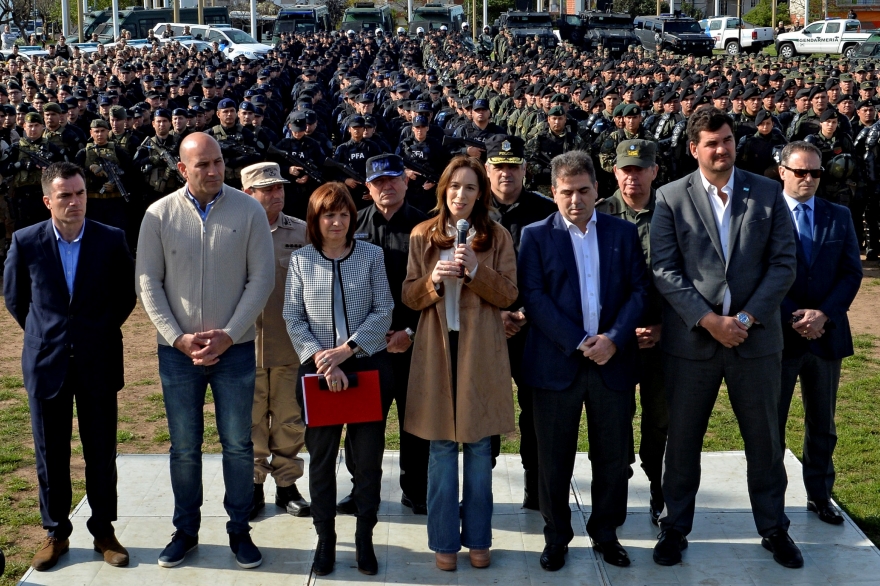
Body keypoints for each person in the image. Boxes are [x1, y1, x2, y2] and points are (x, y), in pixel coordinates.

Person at [650, 107, 800, 568]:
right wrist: (708, 320)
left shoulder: (769, 193)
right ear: (694, 148)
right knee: (683, 441)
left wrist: (747, 319)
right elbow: (664, 269)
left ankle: (774, 528)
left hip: (754, 342)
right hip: (693, 343)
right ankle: (675, 527)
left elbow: (783, 265)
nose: (722, 149)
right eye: (712, 143)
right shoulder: (670, 197)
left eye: (728, 140)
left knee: (765, 441)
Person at [135, 133, 275, 570]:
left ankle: (239, 530)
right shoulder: (158, 215)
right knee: (183, 447)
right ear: (183, 169)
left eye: (218, 162)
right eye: (203, 165)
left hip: (234, 351)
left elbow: (261, 279)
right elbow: (147, 282)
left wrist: (230, 334)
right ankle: (186, 531)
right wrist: (177, 337)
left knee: (237, 445)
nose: (214, 171)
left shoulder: (249, 210)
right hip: (177, 354)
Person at [517, 150, 648, 572]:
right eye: (566, 192)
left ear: (597, 189)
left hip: (612, 364)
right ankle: (556, 537)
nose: (576, 200)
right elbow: (533, 297)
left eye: (584, 190)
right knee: (553, 459)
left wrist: (612, 338)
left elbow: (639, 293)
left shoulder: (622, 234)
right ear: (553, 193)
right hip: (556, 365)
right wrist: (577, 341)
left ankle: (607, 534)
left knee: (612, 458)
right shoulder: (535, 236)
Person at [3, 162, 135, 571]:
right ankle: (56, 532)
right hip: (47, 364)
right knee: (50, 452)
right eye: (65, 195)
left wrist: (91, 332)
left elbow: (125, 297)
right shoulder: (26, 242)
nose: (75, 202)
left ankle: (103, 531)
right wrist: (52, 333)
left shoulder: (111, 239)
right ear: (48, 201)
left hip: (98, 359)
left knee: (101, 451)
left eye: (79, 193)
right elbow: (15, 299)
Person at [402, 155, 518, 572]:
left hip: (480, 352)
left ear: (480, 193)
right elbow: (410, 297)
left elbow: (508, 294)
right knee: (442, 449)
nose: (461, 195)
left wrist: (475, 271)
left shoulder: (497, 236)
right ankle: (444, 540)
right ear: (443, 191)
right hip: (437, 349)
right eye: (454, 187)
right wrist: (433, 281)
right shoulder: (422, 236)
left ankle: (479, 538)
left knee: (479, 447)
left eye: (470, 187)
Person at [282, 182, 394, 577]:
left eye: (344, 214)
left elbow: (384, 311)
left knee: (367, 462)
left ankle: (365, 537)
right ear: (315, 219)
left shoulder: (371, 255)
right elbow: (293, 317)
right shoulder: (301, 261)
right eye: (329, 214)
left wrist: (346, 351)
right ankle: (325, 539)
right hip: (317, 373)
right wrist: (322, 360)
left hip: (364, 367)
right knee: (322, 460)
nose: (337, 221)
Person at [337, 154, 430, 515]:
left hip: (412, 343)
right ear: (367, 187)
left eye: (393, 180)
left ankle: (416, 490)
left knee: (415, 421)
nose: (386, 187)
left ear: (405, 182)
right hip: (365, 346)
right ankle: (361, 489)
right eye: (378, 182)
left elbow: (435, 292)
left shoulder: (426, 228)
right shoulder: (351, 226)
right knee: (361, 424)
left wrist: (409, 331)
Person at [776, 142, 862, 524]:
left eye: (815, 172)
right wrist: (794, 315)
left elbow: (850, 273)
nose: (808, 179)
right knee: (770, 423)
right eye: (800, 172)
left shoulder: (839, 215)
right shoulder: (764, 215)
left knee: (822, 424)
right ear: (782, 171)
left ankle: (820, 495)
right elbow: (756, 275)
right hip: (779, 336)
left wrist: (824, 314)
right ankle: (770, 500)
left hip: (826, 336)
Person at [483, 134, 557, 510]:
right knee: (488, 410)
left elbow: (556, 273)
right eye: (499, 167)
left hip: (534, 329)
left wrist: (524, 314)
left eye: (513, 167)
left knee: (536, 412)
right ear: (487, 170)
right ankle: (482, 488)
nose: (506, 174)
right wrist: (495, 315)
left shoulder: (545, 211)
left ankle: (536, 486)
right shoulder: (473, 212)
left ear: (525, 170)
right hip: (486, 329)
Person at [597, 139, 668, 525]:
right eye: (626, 169)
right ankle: (617, 494)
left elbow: (688, 279)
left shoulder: (674, 214)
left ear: (654, 171)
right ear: (615, 171)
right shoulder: (600, 215)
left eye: (640, 169)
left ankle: (660, 493)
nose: (633, 176)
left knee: (660, 421)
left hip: (663, 340)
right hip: (617, 342)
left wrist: (663, 327)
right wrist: (620, 331)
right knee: (615, 421)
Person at [240, 162, 311, 519]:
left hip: (290, 345)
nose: (277, 194)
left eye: (279, 187)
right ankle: (253, 486)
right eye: (268, 189)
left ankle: (287, 486)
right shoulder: (233, 231)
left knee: (288, 418)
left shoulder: (301, 231)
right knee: (250, 421)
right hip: (244, 347)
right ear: (248, 194)